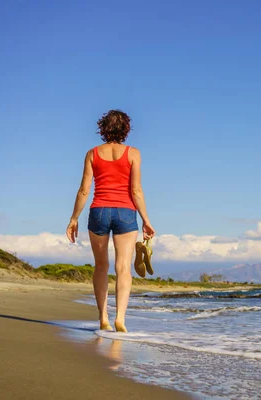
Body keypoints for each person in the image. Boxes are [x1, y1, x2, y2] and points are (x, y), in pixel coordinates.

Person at [66, 110, 156, 333]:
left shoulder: (92, 154)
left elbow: (84, 189)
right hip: (125, 212)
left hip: (99, 211)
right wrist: (146, 219)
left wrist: (73, 218)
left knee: (101, 266)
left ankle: (103, 319)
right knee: (123, 267)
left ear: (103, 127)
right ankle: (120, 320)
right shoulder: (133, 153)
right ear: (126, 128)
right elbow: (136, 190)